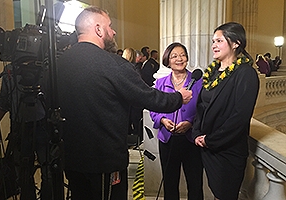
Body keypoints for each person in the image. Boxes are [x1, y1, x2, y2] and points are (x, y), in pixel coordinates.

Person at [56, 6, 193, 200]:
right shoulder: (113, 64)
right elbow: (148, 97)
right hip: (105, 161)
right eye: (109, 26)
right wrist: (179, 98)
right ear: (98, 29)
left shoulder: (59, 63)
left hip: (72, 159)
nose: (113, 31)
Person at [192, 22, 259, 200]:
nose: (214, 45)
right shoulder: (213, 73)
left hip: (228, 150)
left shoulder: (246, 74)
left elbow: (240, 117)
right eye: (213, 41)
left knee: (225, 195)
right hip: (206, 147)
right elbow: (201, 106)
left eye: (219, 41)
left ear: (236, 43)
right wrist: (197, 132)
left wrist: (210, 140)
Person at [0, 63, 52, 200]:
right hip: (19, 127)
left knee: (49, 171)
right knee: (23, 174)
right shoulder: (10, 69)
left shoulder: (46, 67)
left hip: (43, 126)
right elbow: (4, 100)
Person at [150, 42, 203, 200]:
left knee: (195, 182)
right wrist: (163, 120)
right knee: (170, 182)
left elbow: (204, 110)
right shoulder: (160, 83)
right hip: (168, 140)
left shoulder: (198, 82)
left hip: (191, 140)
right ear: (167, 60)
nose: (179, 59)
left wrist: (191, 123)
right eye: (174, 56)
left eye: (182, 55)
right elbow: (154, 108)